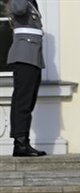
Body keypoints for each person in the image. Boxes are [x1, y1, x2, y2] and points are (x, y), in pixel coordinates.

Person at [7, 0, 46, 157]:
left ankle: (24, 141)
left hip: (32, 55)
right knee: (22, 101)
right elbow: (19, 8)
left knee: (28, 101)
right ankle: (20, 143)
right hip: (24, 55)